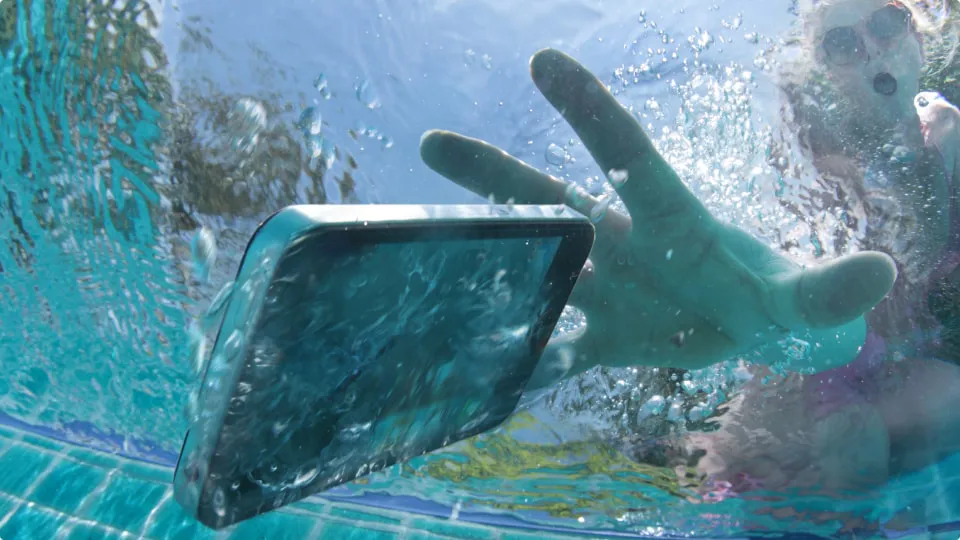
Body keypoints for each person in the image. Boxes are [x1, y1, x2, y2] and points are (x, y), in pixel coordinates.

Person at [417, 0, 960, 519]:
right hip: (810, 360)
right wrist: (766, 315)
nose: (870, 46)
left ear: (916, 32)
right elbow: (810, 291)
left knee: (936, 409)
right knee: (835, 445)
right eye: (843, 43)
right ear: (828, 72)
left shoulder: (948, 130)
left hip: (897, 362)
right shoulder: (817, 159)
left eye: (887, 22)